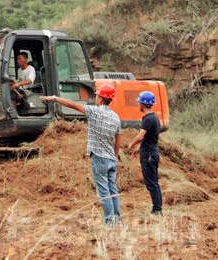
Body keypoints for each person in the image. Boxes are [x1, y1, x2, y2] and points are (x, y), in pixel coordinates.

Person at [41, 84, 122, 226]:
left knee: (104, 194)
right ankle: (117, 220)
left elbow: (72, 104)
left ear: (102, 99)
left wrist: (54, 98)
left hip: (99, 158)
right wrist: (115, 157)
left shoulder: (94, 112)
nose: (95, 98)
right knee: (113, 190)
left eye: (97, 96)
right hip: (111, 159)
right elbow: (119, 137)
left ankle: (110, 223)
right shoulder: (116, 117)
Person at [127, 91, 163, 216]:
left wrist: (132, 144)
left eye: (139, 101)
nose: (138, 103)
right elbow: (151, 137)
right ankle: (157, 209)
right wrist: (139, 148)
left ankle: (157, 210)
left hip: (148, 155)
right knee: (154, 182)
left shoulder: (148, 119)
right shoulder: (154, 118)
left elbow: (141, 136)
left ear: (143, 103)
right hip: (152, 152)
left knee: (151, 183)